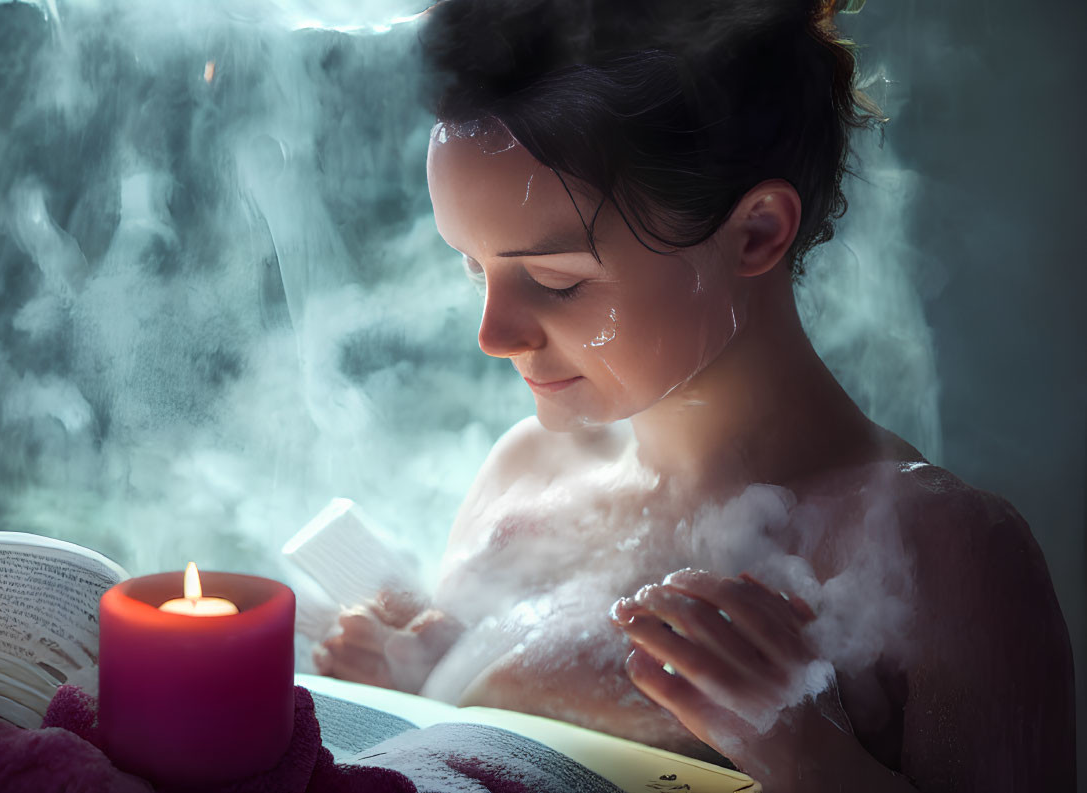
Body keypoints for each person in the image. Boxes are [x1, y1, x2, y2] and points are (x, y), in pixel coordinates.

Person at [313, 0, 1076, 789]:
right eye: (474, 269)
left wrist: (806, 753)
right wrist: (432, 677)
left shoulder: (940, 553)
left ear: (755, 233)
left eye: (556, 281)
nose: (494, 333)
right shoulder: (525, 478)